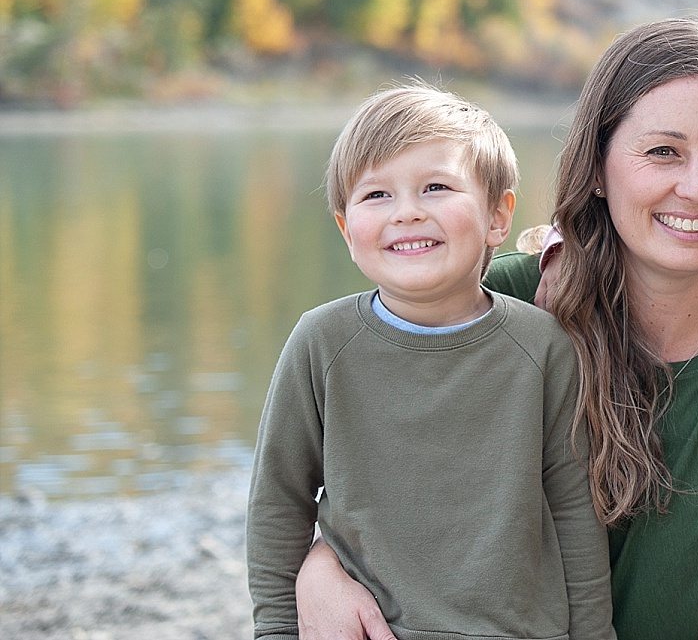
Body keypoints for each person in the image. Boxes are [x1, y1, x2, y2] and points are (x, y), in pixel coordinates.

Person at [296, 18, 698, 640]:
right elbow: (351, 474)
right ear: (597, 167)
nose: (697, 186)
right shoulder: (491, 307)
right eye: (662, 151)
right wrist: (319, 567)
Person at [247, 83, 614, 640]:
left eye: (436, 187)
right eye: (376, 196)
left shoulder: (543, 347)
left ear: (498, 216)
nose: (407, 213)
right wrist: (276, 632)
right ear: (347, 229)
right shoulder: (321, 343)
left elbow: (574, 516)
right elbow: (278, 505)